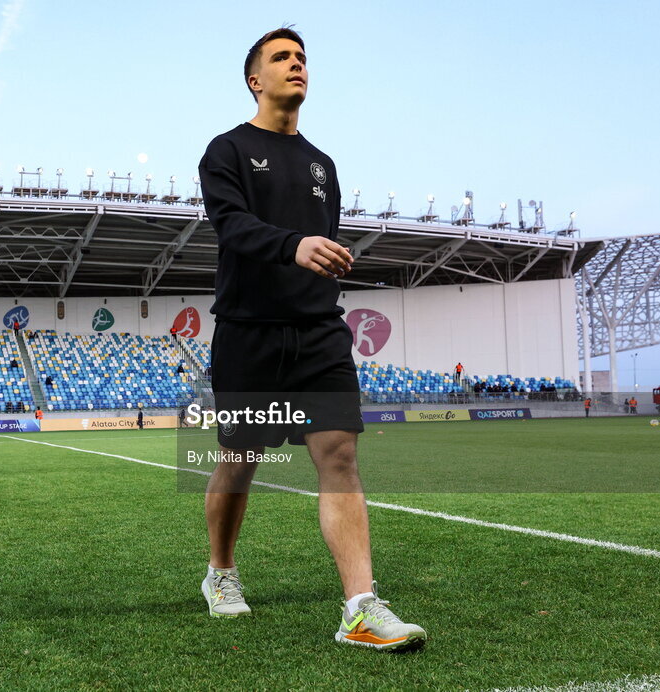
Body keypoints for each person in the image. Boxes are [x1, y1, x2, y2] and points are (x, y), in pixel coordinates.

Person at [196, 27, 424, 651]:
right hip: (249, 332)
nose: (296, 66)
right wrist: (293, 245)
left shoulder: (323, 164)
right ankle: (220, 573)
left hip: (321, 332)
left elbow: (321, 240)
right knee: (240, 459)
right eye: (281, 58)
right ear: (255, 79)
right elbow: (233, 226)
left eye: (301, 58)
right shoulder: (227, 150)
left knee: (339, 456)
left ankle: (360, 608)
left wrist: (320, 257)